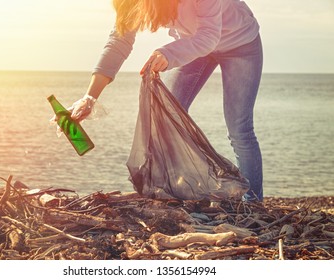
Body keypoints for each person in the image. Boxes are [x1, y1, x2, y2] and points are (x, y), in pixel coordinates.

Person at [70, 0, 263, 202]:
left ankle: (253, 202)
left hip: (240, 43)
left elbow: (209, 36)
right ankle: (178, 190)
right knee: (166, 117)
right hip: (193, 43)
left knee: (239, 129)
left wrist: (168, 53)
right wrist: (89, 97)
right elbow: (118, 42)